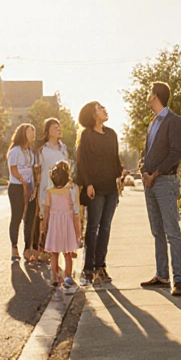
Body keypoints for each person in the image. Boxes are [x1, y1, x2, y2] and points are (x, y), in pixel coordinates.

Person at [139, 81, 181, 296]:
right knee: (157, 231)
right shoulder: (152, 123)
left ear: (156, 96)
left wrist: (155, 173)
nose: (147, 96)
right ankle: (162, 275)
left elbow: (176, 152)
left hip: (165, 182)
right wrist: (143, 170)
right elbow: (146, 152)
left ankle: (179, 280)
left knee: (172, 232)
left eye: (150, 93)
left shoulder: (174, 121)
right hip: (149, 183)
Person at [75, 101, 126, 285]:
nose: (104, 109)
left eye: (103, 107)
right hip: (94, 188)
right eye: (100, 108)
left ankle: (101, 267)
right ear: (93, 115)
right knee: (93, 227)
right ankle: (89, 268)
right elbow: (83, 162)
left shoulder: (111, 134)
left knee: (106, 227)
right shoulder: (86, 136)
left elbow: (115, 159)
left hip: (110, 187)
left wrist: (119, 177)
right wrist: (88, 184)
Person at [44, 160, 82, 295]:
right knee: (67, 254)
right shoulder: (68, 192)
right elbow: (73, 212)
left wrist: (45, 226)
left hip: (54, 226)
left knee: (54, 253)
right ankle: (68, 277)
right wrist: (77, 230)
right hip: (66, 226)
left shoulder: (49, 192)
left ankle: (54, 277)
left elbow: (47, 211)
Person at [7, 124, 39, 262]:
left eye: (34, 131)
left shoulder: (30, 152)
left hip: (30, 187)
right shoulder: (15, 151)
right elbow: (13, 169)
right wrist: (22, 180)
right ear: (23, 133)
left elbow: (33, 168)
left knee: (30, 218)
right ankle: (14, 247)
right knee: (17, 216)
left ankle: (28, 248)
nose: (33, 133)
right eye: (30, 131)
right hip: (17, 187)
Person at [37, 118, 70, 252]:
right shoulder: (42, 150)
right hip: (47, 186)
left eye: (59, 126)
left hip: (62, 188)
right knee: (46, 215)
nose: (58, 129)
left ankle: (60, 246)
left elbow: (67, 167)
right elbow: (39, 168)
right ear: (48, 131)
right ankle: (44, 245)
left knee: (61, 216)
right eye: (55, 127)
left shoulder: (63, 148)